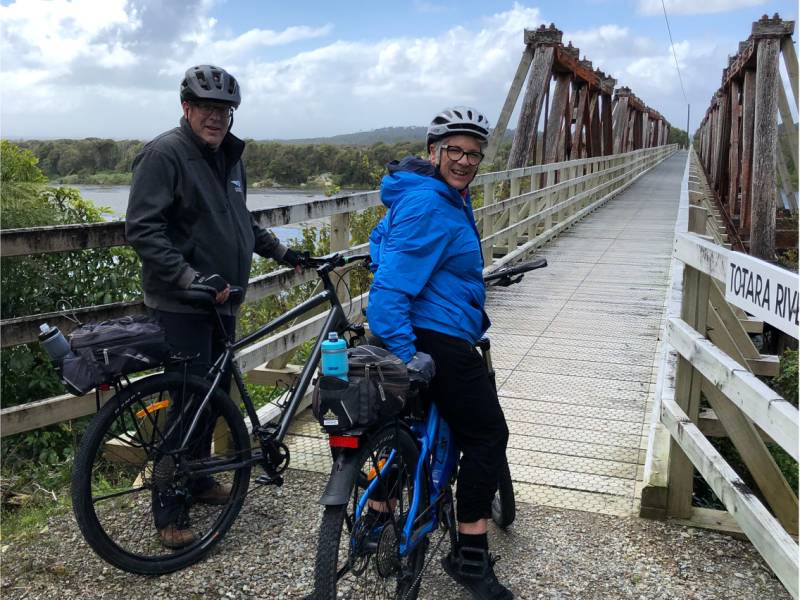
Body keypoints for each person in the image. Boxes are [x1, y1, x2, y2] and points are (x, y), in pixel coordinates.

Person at [125, 64, 303, 548]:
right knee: (187, 404)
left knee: (210, 395)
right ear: (187, 108)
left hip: (224, 299)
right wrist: (188, 277)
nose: (216, 117)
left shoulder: (229, 156)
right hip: (182, 303)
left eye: (224, 109)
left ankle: (200, 480)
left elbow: (237, 220)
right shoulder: (164, 154)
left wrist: (284, 252)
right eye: (206, 107)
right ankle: (169, 512)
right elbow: (143, 228)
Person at [367, 106, 513, 600]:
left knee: (411, 431)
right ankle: (469, 555)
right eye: (455, 150)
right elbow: (386, 291)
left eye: (474, 153)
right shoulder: (432, 203)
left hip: (423, 328)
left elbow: (380, 244)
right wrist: (410, 354)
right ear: (434, 152)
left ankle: (375, 518)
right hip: (435, 338)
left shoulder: (429, 197)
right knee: (490, 434)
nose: (465, 160)